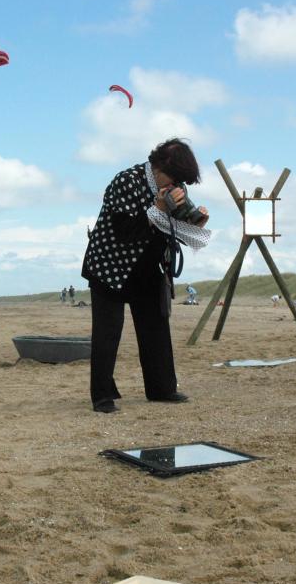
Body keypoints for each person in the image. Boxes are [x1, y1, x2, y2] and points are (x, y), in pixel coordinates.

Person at [81, 138, 211, 413]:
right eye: (175, 178)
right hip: (110, 266)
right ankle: (102, 396)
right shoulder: (126, 180)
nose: (177, 185)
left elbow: (183, 226)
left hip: (148, 267)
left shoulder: (175, 188)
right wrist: (159, 209)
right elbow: (125, 231)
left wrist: (197, 218)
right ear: (159, 166)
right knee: (108, 332)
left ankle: (162, 389)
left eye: (181, 181)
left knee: (156, 328)